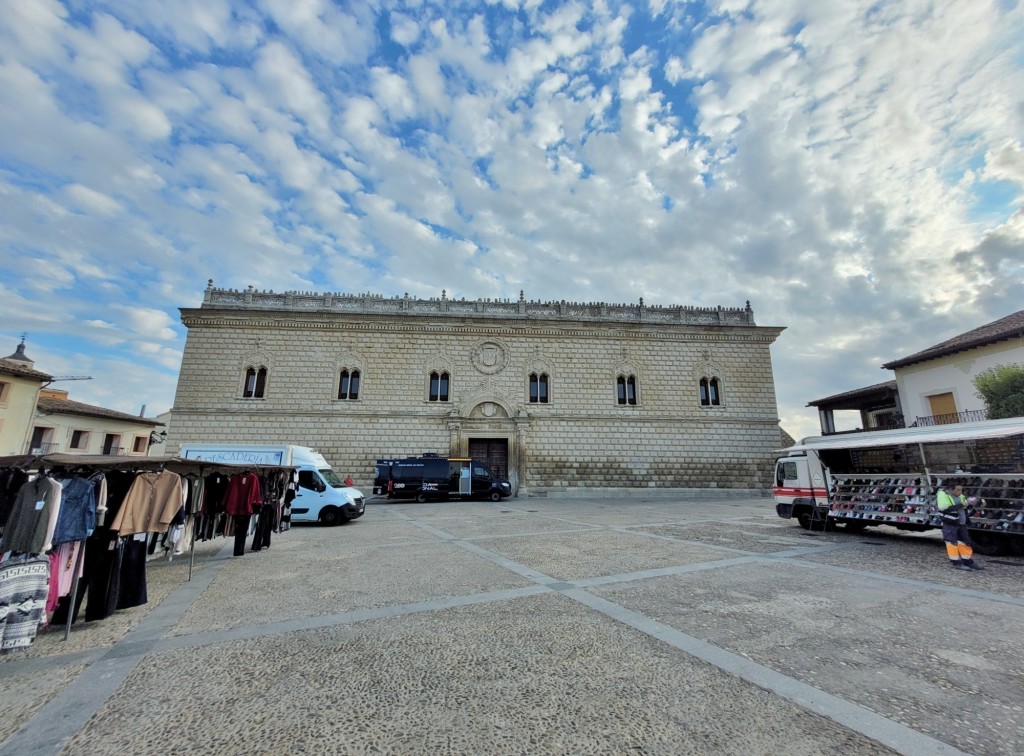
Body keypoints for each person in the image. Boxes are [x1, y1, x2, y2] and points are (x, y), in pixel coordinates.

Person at [936, 483, 984, 571]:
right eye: (958, 490)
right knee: (951, 542)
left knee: (965, 542)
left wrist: (975, 504)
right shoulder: (943, 495)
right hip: (950, 522)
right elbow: (944, 508)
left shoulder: (960, 495)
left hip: (961, 522)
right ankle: (956, 562)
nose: (960, 492)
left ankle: (967, 561)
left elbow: (964, 507)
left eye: (961, 489)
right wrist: (963, 504)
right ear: (951, 489)